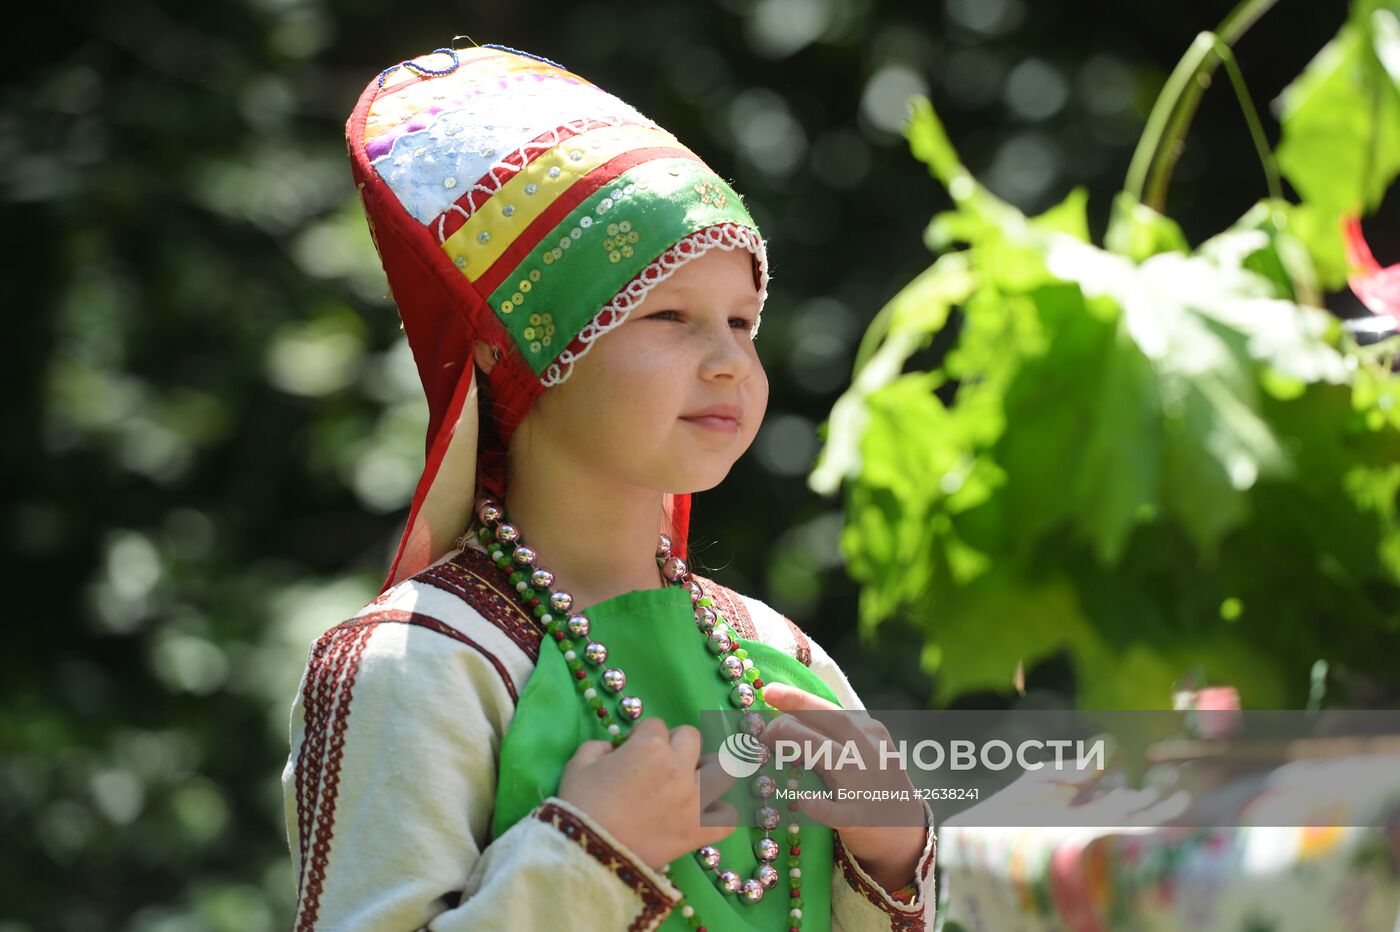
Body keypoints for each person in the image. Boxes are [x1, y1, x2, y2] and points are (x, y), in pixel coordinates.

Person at [282, 43, 937, 931]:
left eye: (743, 324)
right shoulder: (423, 664)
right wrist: (586, 851)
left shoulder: (782, 658)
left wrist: (893, 852)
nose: (729, 365)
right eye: (669, 316)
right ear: (510, 346)